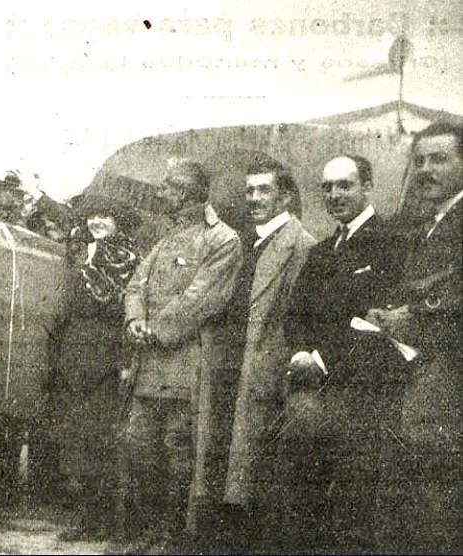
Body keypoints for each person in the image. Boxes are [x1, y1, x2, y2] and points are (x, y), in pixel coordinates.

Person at [275, 154, 405, 552]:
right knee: (301, 496)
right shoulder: (321, 252)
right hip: (314, 392)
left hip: (367, 394)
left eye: (344, 185)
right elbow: (296, 316)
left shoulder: (390, 244)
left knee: (354, 507)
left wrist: (320, 360)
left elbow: (374, 325)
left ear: (367, 187)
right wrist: (301, 353)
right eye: (327, 187)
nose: (334, 195)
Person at [114, 160, 242, 553]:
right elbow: (135, 285)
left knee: (178, 451)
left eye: (167, 187)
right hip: (148, 367)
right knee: (139, 447)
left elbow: (201, 299)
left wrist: (155, 330)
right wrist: (134, 318)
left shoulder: (223, 240)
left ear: (186, 192)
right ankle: (148, 530)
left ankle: (171, 537)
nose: (160, 192)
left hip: (186, 366)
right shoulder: (166, 237)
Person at [207, 157, 314, 552]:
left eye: (264, 190)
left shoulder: (299, 244)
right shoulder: (247, 241)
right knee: (225, 467)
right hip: (231, 368)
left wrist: (273, 369)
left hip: (263, 372)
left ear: (285, 196)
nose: (254, 198)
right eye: (249, 191)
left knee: (253, 476)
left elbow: (295, 318)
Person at [366, 121, 463, 553]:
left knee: (436, 497)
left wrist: (415, 314)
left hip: (450, 378)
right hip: (419, 372)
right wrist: (389, 313)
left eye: (438, 158)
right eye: (419, 160)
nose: (425, 169)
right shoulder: (429, 221)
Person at [46, 194, 141, 541]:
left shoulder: (125, 256)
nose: (97, 222)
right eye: (93, 217)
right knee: (77, 437)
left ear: (119, 221)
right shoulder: (82, 249)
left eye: (105, 217)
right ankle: (86, 516)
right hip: (76, 350)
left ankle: (101, 518)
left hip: (106, 351)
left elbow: (119, 303)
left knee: (100, 437)